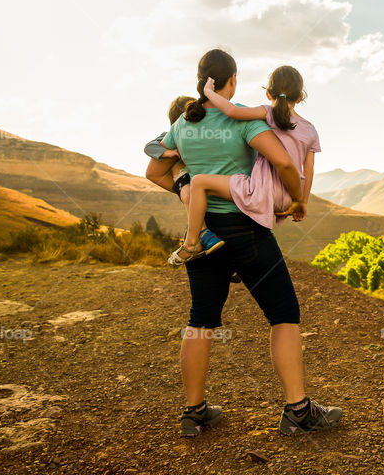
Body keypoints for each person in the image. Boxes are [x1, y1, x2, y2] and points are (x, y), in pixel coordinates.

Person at [149, 47, 342, 438]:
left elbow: (154, 171)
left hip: (206, 234)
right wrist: (298, 200)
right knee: (283, 313)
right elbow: (285, 163)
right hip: (247, 229)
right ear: (232, 80)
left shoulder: (184, 124)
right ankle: (298, 412)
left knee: (201, 318)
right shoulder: (243, 120)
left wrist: (187, 194)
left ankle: (194, 412)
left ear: (201, 80)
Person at [169, 65, 318, 264]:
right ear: (300, 97)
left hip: (262, 193)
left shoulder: (266, 113)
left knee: (198, 183)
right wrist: (301, 202)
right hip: (288, 199)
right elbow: (309, 170)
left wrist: (207, 92)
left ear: (268, 94)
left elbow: (231, 110)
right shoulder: (311, 130)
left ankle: (193, 242)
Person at [144, 96, 225, 264]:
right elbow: (149, 147)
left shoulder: (203, 133)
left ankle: (225, 263)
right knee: (188, 196)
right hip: (184, 179)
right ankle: (203, 234)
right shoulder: (169, 135)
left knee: (191, 198)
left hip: (200, 181)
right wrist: (167, 153)